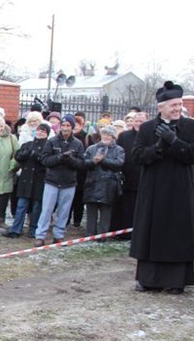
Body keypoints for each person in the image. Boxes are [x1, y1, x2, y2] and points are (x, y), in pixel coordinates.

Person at [130, 81, 194, 294]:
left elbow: (191, 155)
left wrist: (174, 141)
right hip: (154, 189)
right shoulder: (147, 128)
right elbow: (137, 156)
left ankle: (176, 281)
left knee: (177, 233)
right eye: (173, 105)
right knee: (151, 231)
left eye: (179, 104)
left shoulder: (190, 126)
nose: (177, 108)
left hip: (180, 189)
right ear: (161, 107)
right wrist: (157, 147)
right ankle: (148, 280)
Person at [34, 114, 85, 246]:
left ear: (72, 127)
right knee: (46, 210)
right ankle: (40, 235)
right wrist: (59, 158)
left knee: (64, 211)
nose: (65, 128)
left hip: (69, 182)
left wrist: (71, 160)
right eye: (63, 125)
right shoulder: (52, 141)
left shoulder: (78, 144)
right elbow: (45, 160)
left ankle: (59, 235)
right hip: (52, 180)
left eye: (68, 126)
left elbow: (81, 164)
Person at [2, 122, 50, 238]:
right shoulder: (28, 144)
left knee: (36, 208)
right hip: (26, 180)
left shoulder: (49, 146)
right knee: (21, 206)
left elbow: (47, 161)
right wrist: (25, 153)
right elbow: (18, 156)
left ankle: (33, 230)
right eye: (39, 130)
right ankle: (16, 229)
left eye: (43, 131)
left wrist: (35, 155)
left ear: (47, 134)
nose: (40, 132)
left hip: (39, 181)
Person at [81, 125, 125, 239]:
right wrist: (93, 161)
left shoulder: (118, 150)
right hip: (92, 182)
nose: (106, 136)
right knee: (91, 211)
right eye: (104, 134)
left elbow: (119, 164)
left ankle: (102, 235)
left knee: (106, 212)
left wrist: (103, 160)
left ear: (113, 137)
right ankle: (90, 234)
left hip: (109, 185)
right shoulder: (91, 148)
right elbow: (84, 163)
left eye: (109, 134)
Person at [110, 111, 147, 238]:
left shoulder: (150, 137)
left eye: (141, 121)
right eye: (136, 121)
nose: (138, 124)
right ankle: (120, 233)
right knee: (123, 207)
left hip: (142, 179)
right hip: (125, 177)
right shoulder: (124, 136)